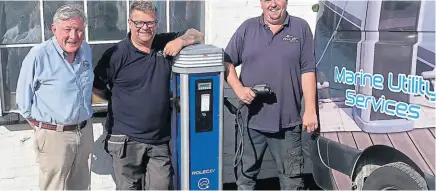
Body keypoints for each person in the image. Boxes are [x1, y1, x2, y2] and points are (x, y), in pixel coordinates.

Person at [92, 0, 204, 190]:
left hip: (159, 141)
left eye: (150, 22)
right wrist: (118, 102)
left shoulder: (164, 44)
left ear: (156, 23)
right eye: (139, 23)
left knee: (162, 186)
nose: (144, 27)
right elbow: (96, 90)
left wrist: (182, 41)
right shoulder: (117, 54)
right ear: (129, 23)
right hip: (126, 140)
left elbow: (199, 35)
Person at [224, 0, 319, 189]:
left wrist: (310, 110)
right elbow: (226, 62)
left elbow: (308, 70)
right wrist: (239, 89)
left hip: (288, 123)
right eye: (267, 0)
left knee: (292, 182)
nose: (273, 4)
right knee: (244, 179)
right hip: (250, 122)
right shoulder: (248, 28)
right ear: (261, 3)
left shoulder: (301, 28)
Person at [15, 4, 94, 190]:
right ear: (54, 29)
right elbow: (23, 101)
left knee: (81, 186)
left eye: (79, 30)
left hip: (83, 132)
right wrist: (45, 129)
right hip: (54, 136)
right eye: (67, 30)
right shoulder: (38, 55)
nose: (74, 36)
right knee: (54, 187)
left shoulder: (86, 51)